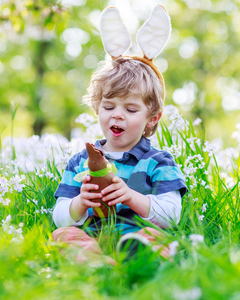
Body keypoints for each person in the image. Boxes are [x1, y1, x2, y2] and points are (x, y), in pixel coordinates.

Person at [52, 5, 187, 265]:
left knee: (156, 237)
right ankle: (98, 264)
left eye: (131, 109)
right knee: (61, 233)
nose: (117, 115)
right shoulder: (80, 162)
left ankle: (136, 257)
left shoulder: (159, 161)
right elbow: (60, 214)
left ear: (152, 118)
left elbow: (171, 215)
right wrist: (80, 202)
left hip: (138, 234)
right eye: (109, 106)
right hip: (93, 237)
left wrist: (130, 196)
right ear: (97, 108)